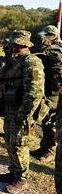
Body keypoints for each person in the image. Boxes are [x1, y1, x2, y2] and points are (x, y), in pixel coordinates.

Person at [0, 30, 44, 193]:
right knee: (10, 142)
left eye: (13, 43)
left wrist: (24, 115)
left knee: (19, 145)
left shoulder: (32, 62)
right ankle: (14, 172)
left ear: (21, 44)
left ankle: (22, 179)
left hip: (22, 112)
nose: (10, 46)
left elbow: (34, 93)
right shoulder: (15, 61)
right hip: (11, 109)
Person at [30, 25, 62, 162]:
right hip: (47, 89)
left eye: (47, 36)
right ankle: (44, 147)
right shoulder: (45, 49)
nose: (44, 38)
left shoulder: (56, 51)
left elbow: (56, 72)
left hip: (55, 91)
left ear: (54, 36)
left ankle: (49, 151)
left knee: (51, 121)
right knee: (44, 119)